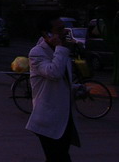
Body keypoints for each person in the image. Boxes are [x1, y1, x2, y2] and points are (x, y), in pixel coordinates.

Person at [26, 15, 80, 161]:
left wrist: (77, 89)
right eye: (60, 29)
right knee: (58, 157)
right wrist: (60, 48)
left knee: (58, 157)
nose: (65, 32)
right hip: (48, 119)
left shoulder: (60, 52)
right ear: (47, 33)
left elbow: (61, 82)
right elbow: (54, 73)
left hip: (64, 118)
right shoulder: (37, 52)